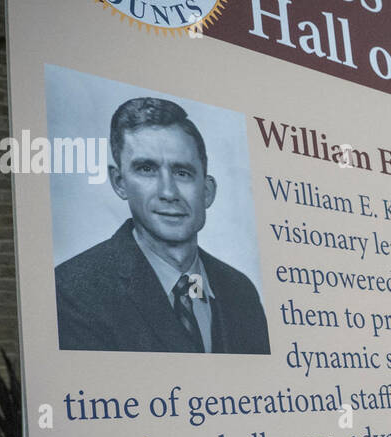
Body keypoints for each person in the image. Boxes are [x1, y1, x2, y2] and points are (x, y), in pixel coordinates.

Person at [55, 97, 270, 354]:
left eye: (182, 172)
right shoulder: (73, 291)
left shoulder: (240, 292)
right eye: (147, 169)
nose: (168, 192)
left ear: (207, 191)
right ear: (119, 183)